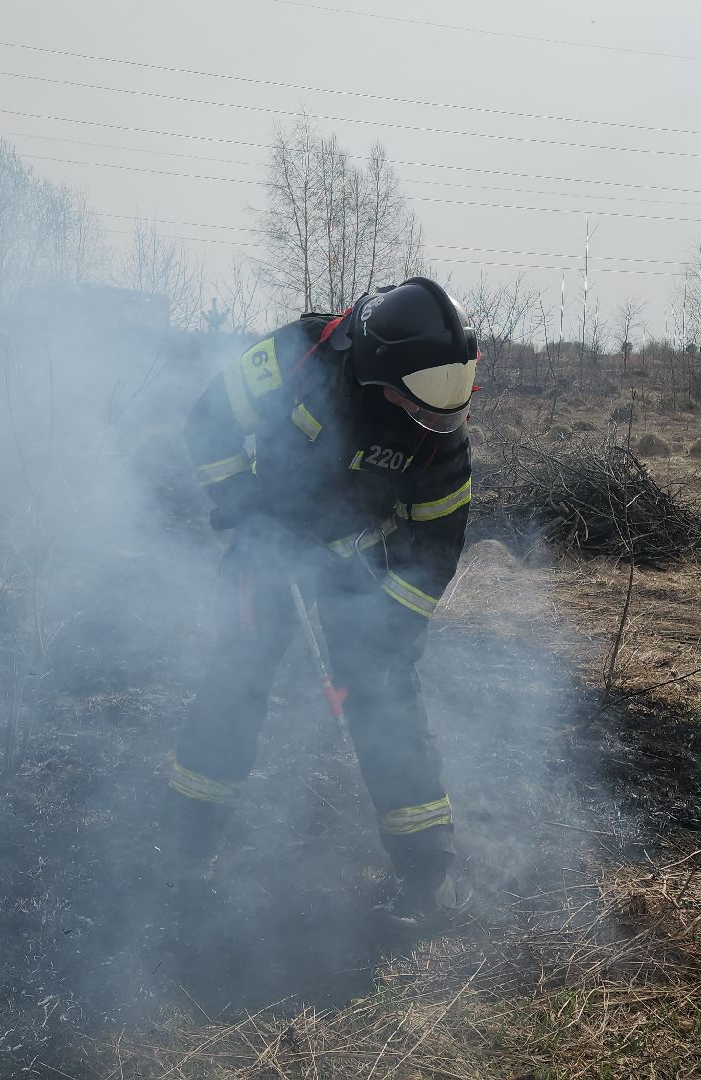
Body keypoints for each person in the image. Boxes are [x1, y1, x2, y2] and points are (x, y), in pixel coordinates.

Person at [163, 276, 477, 930]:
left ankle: (428, 876)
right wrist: (242, 508)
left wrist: (385, 635)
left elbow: (436, 549)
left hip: (359, 558)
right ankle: (181, 854)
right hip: (265, 545)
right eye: (422, 411)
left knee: (383, 692)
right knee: (237, 679)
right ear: (378, 373)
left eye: (445, 415)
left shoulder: (439, 437)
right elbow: (209, 420)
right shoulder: (297, 359)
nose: (435, 426)